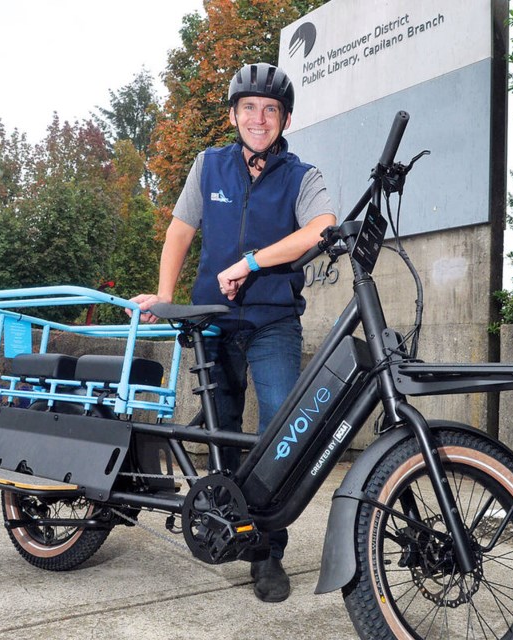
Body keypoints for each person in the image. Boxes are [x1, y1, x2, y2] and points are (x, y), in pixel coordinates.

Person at [130, 62, 336, 603]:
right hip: (212, 322)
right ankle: (222, 518)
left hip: (272, 322)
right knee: (220, 434)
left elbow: (320, 228)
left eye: (271, 110)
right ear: (233, 114)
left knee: (278, 435)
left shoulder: (301, 175)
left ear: (284, 119)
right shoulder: (208, 165)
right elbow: (180, 231)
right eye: (249, 107)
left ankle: (267, 552)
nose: (259, 118)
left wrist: (252, 262)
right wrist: (167, 295)